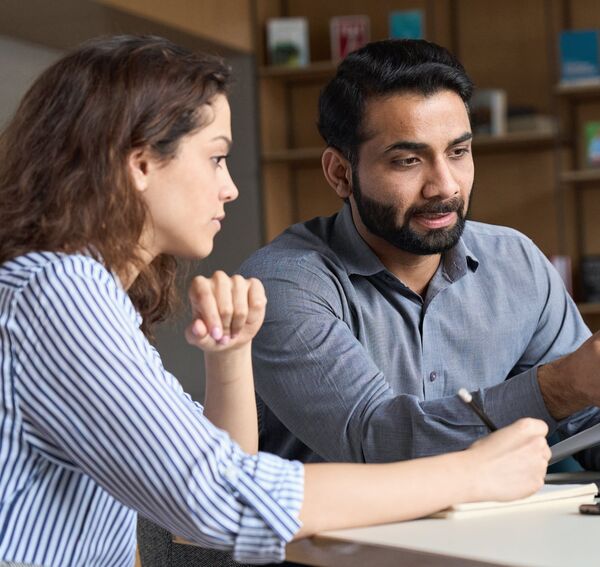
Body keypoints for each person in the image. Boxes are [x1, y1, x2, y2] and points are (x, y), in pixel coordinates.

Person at [0, 35, 550, 567]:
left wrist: (229, 357)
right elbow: (219, 503)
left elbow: (214, 487)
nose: (230, 187)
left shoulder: (72, 292)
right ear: (140, 165)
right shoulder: (58, 290)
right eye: (216, 158)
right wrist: (469, 474)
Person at [239, 38, 600, 468]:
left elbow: (588, 424)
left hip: (500, 531)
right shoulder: (283, 284)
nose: (445, 186)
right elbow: (376, 440)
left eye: (458, 152)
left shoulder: (516, 262)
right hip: (342, 534)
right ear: (341, 173)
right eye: (409, 160)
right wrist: (557, 387)